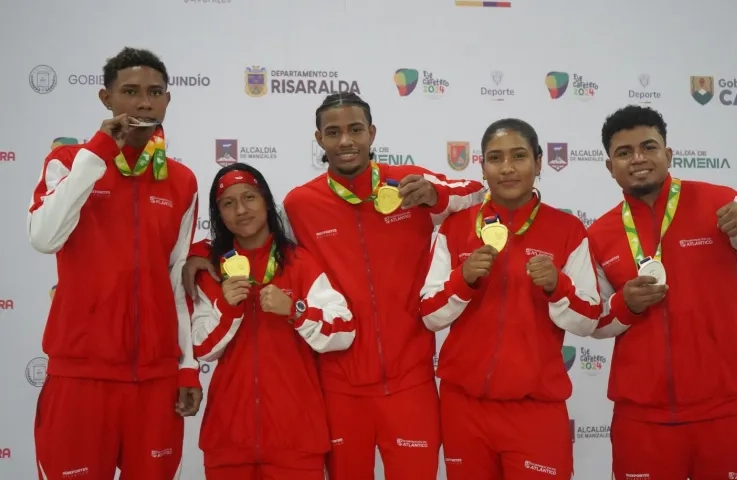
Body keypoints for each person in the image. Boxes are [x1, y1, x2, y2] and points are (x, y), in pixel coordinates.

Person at [183, 92, 486, 479]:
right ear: (319, 138)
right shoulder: (300, 204)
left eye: (355, 130)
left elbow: (481, 192)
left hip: (411, 380)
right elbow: (254, 231)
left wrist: (436, 194)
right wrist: (200, 250)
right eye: (334, 132)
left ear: (372, 133)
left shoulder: (411, 185)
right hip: (339, 386)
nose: (346, 141)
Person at [588, 105, 737, 480]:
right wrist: (626, 304)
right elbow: (593, 320)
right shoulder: (600, 234)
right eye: (624, 152)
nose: (638, 159)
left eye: (649, 147)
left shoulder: (718, 202)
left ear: (668, 155)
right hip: (642, 418)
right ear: (610, 167)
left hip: (725, 411)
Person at [27, 47, 202, 479]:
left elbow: (177, 281)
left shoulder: (181, 180)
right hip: (81, 376)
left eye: (155, 92)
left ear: (167, 99)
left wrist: (186, 366)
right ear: (106, 99)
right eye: (130, 91)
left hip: (155, 380)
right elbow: (44, 237)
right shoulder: (68, 163)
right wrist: (97, 153)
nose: (144, 102)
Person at [419, 118, 601, 480]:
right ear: (482, 168)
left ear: (538, 162)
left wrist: (558, 287)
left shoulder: (567, 230)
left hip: (536, 410)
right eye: (495, 158)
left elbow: (589, 319)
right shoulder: (456, 227)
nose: (507, 168)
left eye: (519, 156)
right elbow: (430, 314)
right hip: (464, 408)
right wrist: (463, 279)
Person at [191, 163, 356, 480]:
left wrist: (296, 310)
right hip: (228, 442)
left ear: (266, 200)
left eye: (249, 197)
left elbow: (344, 329)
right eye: (228, 203)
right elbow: (201, 347)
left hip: (295, 441)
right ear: (219, 214)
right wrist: (227, 307)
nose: (241, 210)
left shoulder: (299, 261)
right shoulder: (211, 269)